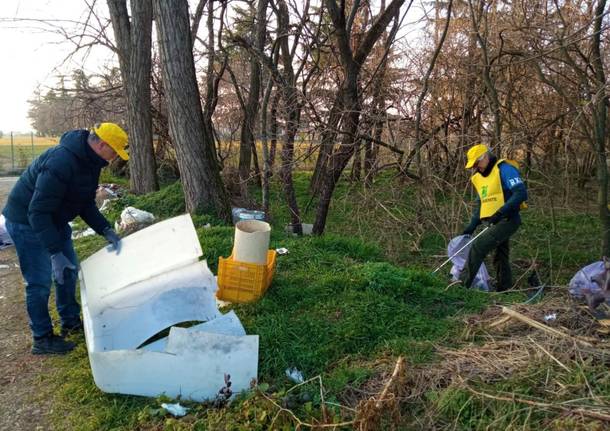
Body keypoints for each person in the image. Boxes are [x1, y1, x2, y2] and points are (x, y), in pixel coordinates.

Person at [2, 123, 128, 355]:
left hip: (54, 218)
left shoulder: (91, 163)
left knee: (69, 271)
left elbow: (85, 203)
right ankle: (42, 338)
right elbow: (37, 212)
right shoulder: (61, 161)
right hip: (27, 222)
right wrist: (54, 252)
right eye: (114, 152)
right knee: (39, 282)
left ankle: (70, 320)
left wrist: (105, 229)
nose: (114, 159)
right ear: (102, 145)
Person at [459, 144, 528, 292]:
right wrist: (472, 225)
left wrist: (501, 212)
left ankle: (460, 287)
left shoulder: (505, 169)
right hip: (493, 221)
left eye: (477, 163)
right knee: (500, 255)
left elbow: (520, 193)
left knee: (478, 247)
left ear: (485, 157)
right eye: (474, 166)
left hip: (508, 219)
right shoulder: (479, 178)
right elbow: (482, 203)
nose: (476, 168)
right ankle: (505, 289)